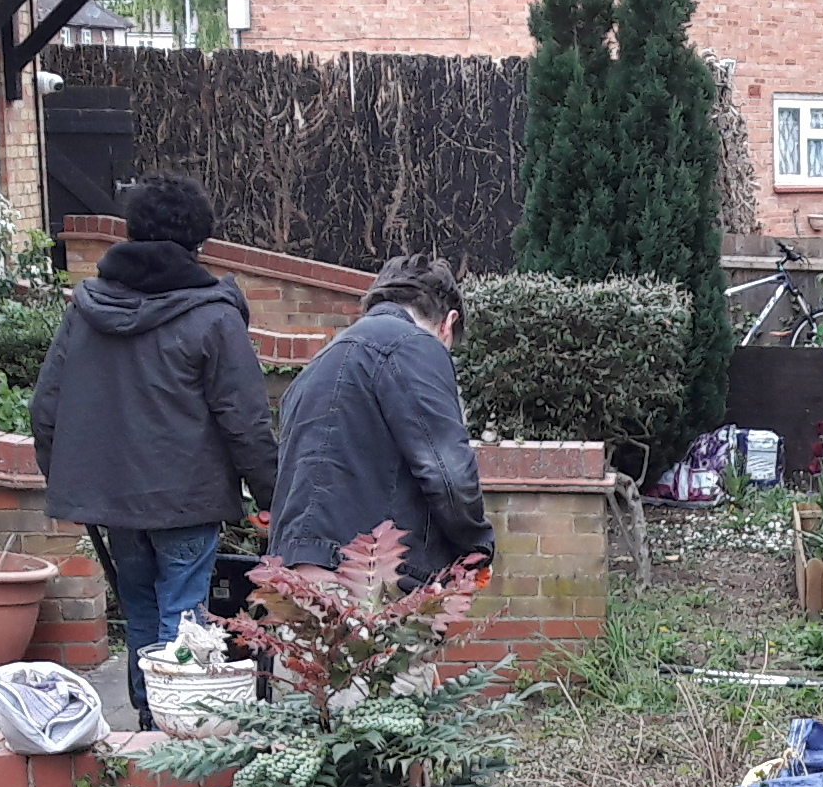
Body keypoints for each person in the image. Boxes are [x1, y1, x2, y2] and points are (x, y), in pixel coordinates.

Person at [28, 173, 278, 661]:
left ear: (132, 231)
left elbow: (46, 410)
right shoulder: (213, 318)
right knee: (184, 616)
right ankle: (177, 732)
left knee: (142, 611)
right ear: (200, 241)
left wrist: (72, 481)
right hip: (188, 501)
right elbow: (246, 423)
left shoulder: (87, 308)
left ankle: (148, 726)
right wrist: (275, 499)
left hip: (116, 501)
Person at [269, 255, 491, 587]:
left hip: (294, 576)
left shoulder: (317, 366)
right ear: (448, 322)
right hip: (369, 576)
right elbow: (448, 473)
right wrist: (478, 549)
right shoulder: (417, 346)